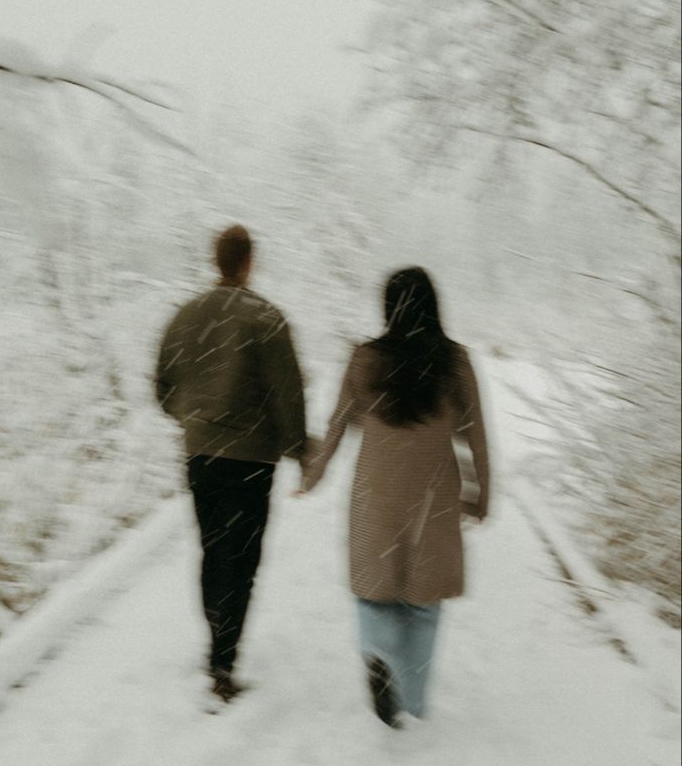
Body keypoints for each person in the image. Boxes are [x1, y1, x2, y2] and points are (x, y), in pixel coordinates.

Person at [301, 267, 490, 728]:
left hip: (377, 489)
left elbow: (339, 421)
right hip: (434, 491)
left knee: (375, 591)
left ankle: (377, 653)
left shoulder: (365, 358)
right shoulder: (454, 361)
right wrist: (479, 492)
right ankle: (413, 701)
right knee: (424, 603)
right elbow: (475, 436)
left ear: (388, 308)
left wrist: (315, 471)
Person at [155, 225, 307, 704]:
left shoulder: (184, 316)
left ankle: (216, 641)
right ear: (248, 263)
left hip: (200, 455)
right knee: (243, 560)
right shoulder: (266, 318)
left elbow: (162, 386)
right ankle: (224, 660)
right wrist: (298, 448)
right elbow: (288, 392)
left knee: (213, 549)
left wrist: (192, 419)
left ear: (215, 260)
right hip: (251, 459)